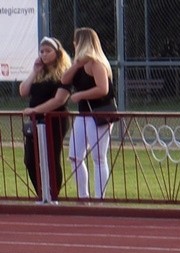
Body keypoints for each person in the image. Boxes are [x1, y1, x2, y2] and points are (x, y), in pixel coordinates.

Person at [59, 27, 116, 200]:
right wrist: (77, 63)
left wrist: (81, 95)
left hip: (99, 113)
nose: (74, 45)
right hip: (84, 115)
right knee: (75, 156)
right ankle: (83, 196)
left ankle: (100, 198)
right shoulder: (80, 65)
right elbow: (64, 79)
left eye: (76, 42)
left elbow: (103, 89)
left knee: (99, 157)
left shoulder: (96, 63)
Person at [19, 36, 71, 204]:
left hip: (54, 120)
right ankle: (42, 194)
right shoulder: (39, 72)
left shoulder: (64, 74)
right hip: (36, 121)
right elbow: (23, 91)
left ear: (57, 53)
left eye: (48, 51)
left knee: (51, 158)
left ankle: (53, 196)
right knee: (30, 159)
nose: (44, 54)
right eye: (41, 51)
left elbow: (59, 100)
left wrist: (35, 110)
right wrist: (34, 70)